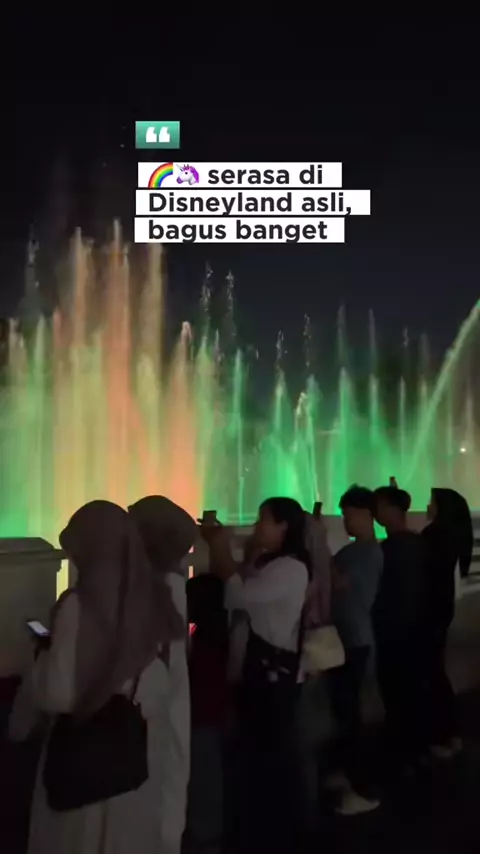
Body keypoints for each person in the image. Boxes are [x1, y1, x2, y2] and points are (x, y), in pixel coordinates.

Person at [26, 500, 185, 854]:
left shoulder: (77, 607)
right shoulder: (157, 599)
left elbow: (57, 694)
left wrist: (43, 657)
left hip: (85, 774)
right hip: (136, 764)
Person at [200, 497, 310, 845]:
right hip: (259, 668)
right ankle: (266, 821)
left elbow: (240, 595)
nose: (257, 526)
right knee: (260, 745)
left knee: (272, 748)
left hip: (272, 672)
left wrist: (219, 546)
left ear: (284, 526)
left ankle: (282, 826)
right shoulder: (271, 562)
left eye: (264, 520)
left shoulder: (291, 568)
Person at [128, 495, 198, 854]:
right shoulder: (171, 580)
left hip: (160, 693)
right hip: (168, 690)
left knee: (163, 768)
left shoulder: (164, 584)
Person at [326, 485, 383, 814]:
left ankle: (363, 788)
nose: (346, 521)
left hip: (356, 641)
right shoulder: (353, 551)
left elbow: (338, 583)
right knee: (344, 712)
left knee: (351, 716)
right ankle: (348, 776)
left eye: (349, 515)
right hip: (345, 639)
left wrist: (318, 548)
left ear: (366, 514)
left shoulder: (369, 553)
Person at [372, 485, 430, 771]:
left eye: (380, 506)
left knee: (397, 693)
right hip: (414, 629)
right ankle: (414, 749)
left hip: (395, 631)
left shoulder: (390, 548)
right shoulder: (418, 544)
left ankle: (402, 753)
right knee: (410, 692)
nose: (375, 512)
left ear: (394, 509)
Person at [422, 488, 473, 758]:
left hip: (428, 613)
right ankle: (449, 732)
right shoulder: (454, 536)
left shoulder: (434, 535)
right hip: (442, 612)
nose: (427, 506)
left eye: (431, 502)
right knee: (436, 671)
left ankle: (442, 734)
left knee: (431, 674)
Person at [185, 574, 229, 854]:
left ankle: (206, 837)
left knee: (203, 777)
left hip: (201, 716)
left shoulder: (201, 642)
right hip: (214, 715)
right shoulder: (220, 631)